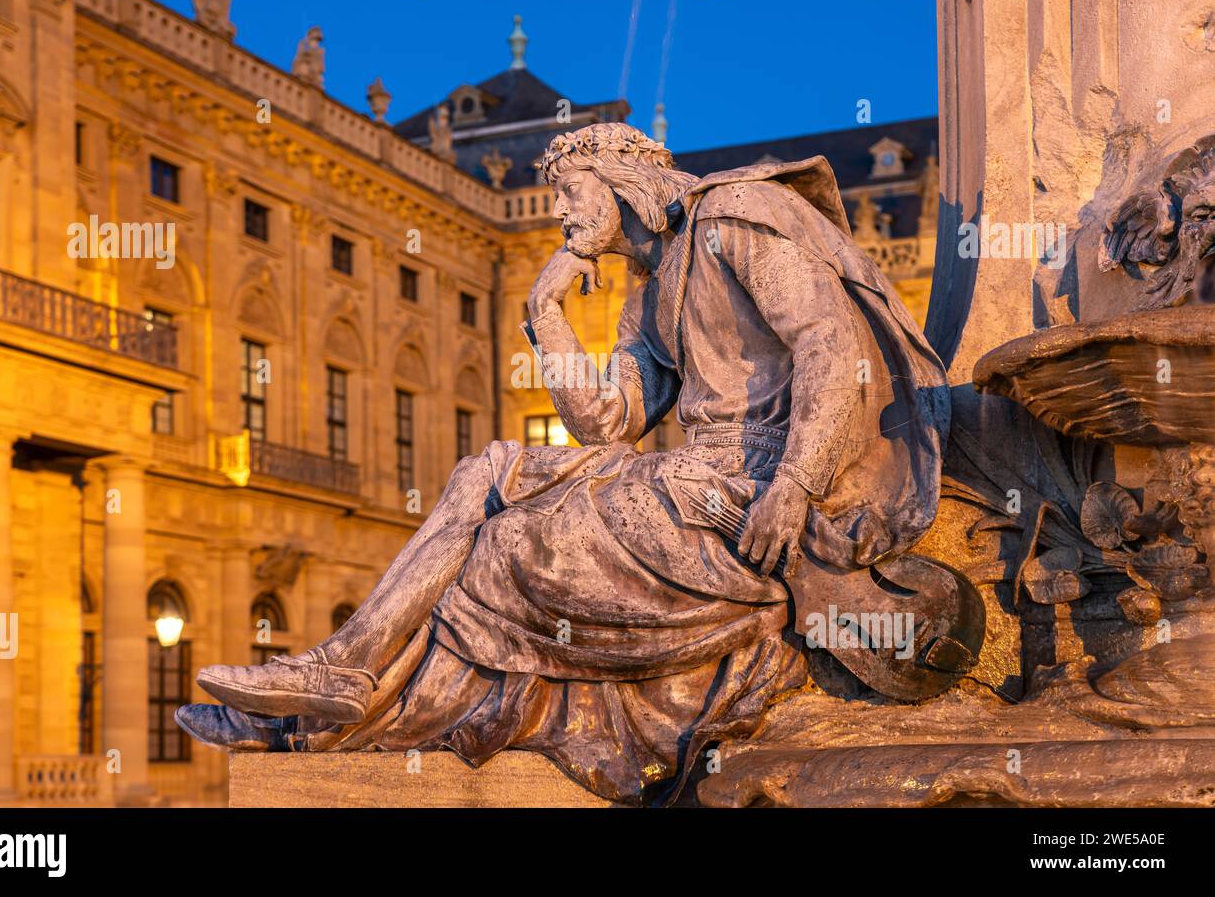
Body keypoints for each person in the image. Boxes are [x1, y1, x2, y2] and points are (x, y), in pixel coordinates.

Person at [177, 123, 949, 805]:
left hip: (761, 491)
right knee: (486, 469)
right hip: (692, 481)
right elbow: (605, 422)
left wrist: (796, 483)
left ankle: (312, 722)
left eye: (571, 192)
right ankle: (337, 673)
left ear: (623, 181)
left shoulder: (733, 219)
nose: (560, 213)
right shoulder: (649, 294)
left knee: (500, 550)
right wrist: (545, 313)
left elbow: (828, 344)